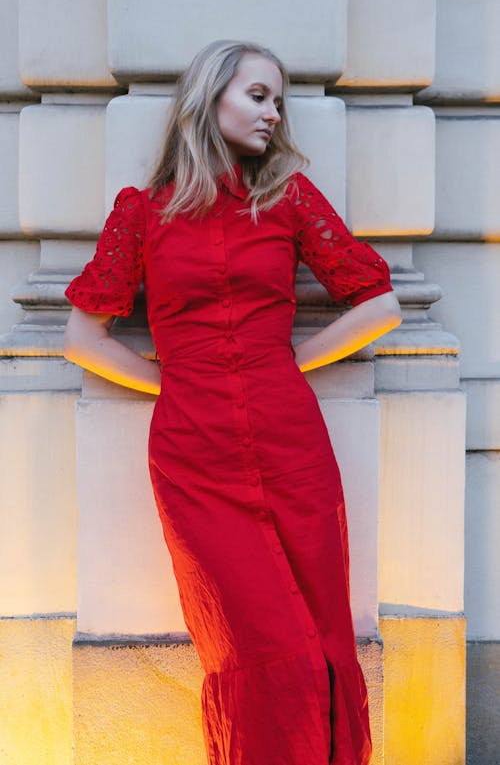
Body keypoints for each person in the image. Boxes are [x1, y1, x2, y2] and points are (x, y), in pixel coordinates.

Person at [63, 39, 402, 765]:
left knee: (320, 635)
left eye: (278, 101)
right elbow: (83, 338)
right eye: (259, 96)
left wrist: (277, 365)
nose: (273, 115)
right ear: (208, 97)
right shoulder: (143, 214)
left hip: (291, 444)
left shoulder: (289, 200)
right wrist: (185, 378)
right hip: (195, 457)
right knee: (255, 640)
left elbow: (380, 306)